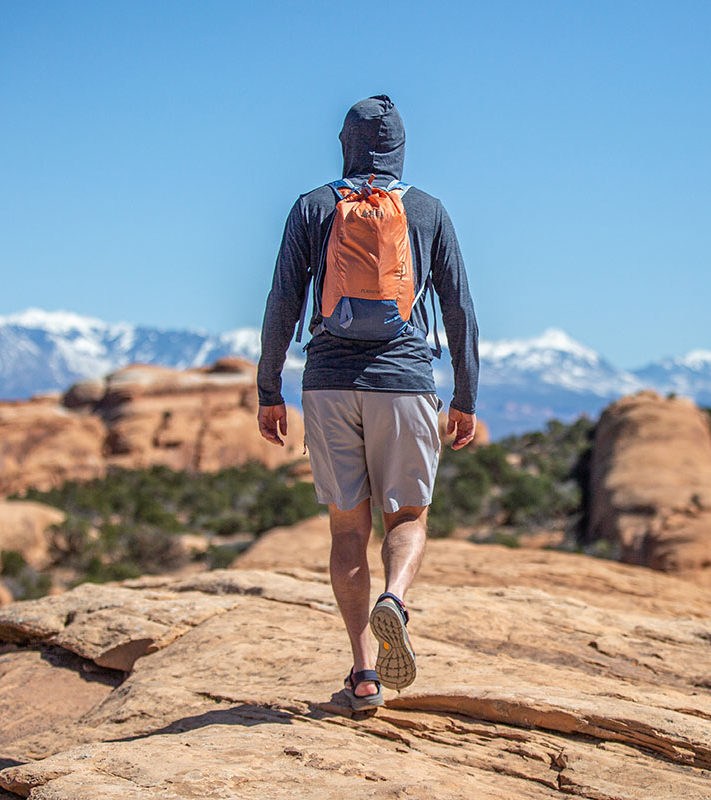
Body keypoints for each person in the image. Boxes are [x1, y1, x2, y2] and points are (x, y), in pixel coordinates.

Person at [255, 95, 479, 711]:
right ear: (400, 148)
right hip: (404, 382)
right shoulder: (428, 210)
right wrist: (465, 395)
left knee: (347, 529)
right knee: (405, 518)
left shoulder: (313, 206)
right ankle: (395, 599)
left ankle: (363, 675)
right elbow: (458, 307)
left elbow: (281, 302)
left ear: (345, 144)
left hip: (327, 382)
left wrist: (269, 389)